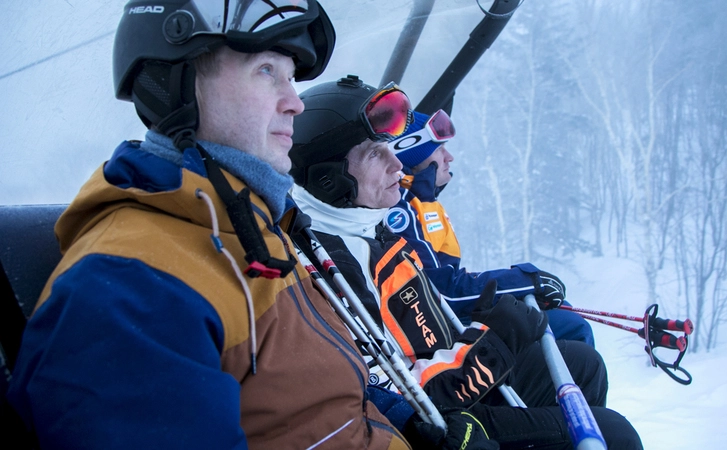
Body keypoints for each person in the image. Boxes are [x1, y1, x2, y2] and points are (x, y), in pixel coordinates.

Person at [5, 2, 496, 449]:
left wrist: (405, 423)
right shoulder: (134, 286)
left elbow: (316, 383)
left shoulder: (256, 232)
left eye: (291, 78)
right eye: (266, 71)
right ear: (178, 85)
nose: (295, 102)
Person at [288, 75, 643, 449]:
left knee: (583, 364)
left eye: (390, 147)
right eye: (376, 154)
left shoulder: (370, 226)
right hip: (443, 419)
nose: (397, 164)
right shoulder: (331, 266)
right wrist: (491, 344)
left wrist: (483, 329)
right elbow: (394, 402)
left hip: (454, 377)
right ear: (329, 179)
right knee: (615, 434)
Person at [387, 110, 595, 346]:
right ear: (412, 155)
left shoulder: (424, 202)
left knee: (565, 317)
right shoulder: (400, 209)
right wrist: (523, 282)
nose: (449, 157)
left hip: (452, 320)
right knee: (573, 328)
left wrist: (521, 290)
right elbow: (438, 289)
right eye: (438, 149)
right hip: (440, 333)